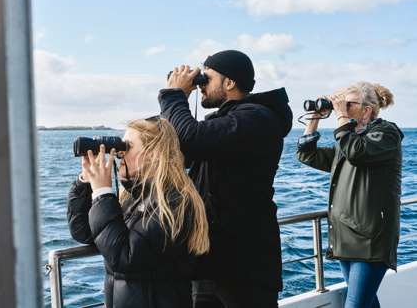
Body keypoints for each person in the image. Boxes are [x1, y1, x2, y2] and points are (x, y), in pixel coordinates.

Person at [158, 50, 293, 307]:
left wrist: (173, 95)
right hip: (209, 259)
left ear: (229, 83)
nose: (201, 84)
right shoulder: (225, 121)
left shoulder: (256, 118)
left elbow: (191, 140)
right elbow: (178, 150)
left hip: (245, 264)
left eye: (206, 78)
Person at [67, 117, 210, 308]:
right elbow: (85, 232)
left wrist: (103, 193)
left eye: (128, 146)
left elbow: (124, 257)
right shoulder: (133, 196)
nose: (119, 153)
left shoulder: (175, 203)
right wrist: (87, 181)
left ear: (154, 154)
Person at [297, 82, 403, 308]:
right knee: (366, 302)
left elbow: (357, 153)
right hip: (345, 235)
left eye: (347, 105)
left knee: (355, 304)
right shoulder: (347, 143)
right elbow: (308, 155)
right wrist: (315, 117)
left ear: (366, 111)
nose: (341, 110)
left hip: (371, 238)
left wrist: (341, 120)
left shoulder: (386, 133)